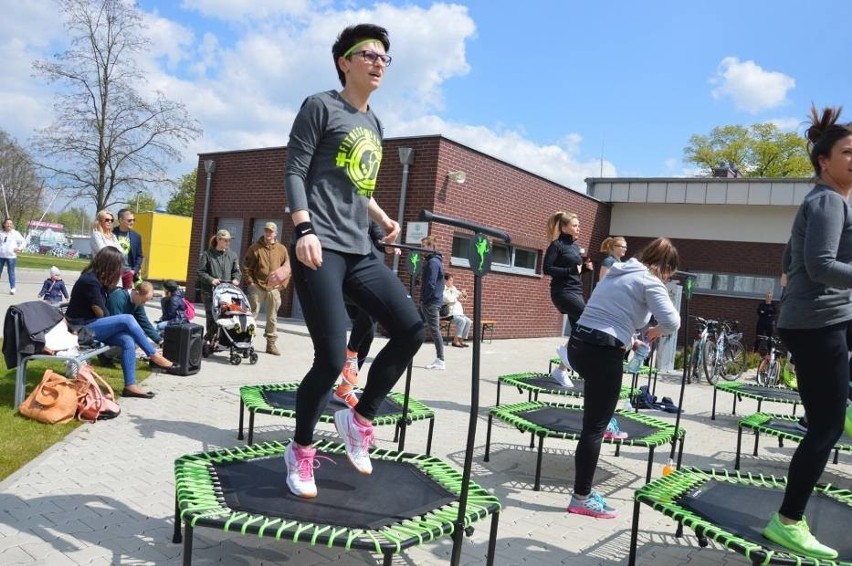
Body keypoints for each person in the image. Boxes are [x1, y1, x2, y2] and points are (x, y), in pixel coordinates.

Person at [277, 23, 425, 499]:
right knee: (330, 356)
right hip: (318, 243)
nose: (379, 63)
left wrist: (382, 218)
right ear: (345, 62)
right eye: (369, 55)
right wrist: (302, 229)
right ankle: (300, 451)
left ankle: (358, 418)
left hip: (359, 245)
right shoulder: (321, 105)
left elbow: (359, 187)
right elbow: (296, 169)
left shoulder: (374, 124)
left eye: (385, 58)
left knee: (410, 329)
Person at [762, 106, 852, 561]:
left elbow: (789, 262)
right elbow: (820, 266)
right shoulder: (828, 200)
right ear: (824, 160)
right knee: (825, 428)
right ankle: (788, 521)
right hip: (819, 323)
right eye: (848, 152)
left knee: (831, 416)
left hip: (821, 319)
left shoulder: (825, 201)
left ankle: (846, 404)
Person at [566, 237, 680, 518]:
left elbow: (609, 312)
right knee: (594, 428)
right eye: (669, 274)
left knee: (597, 416)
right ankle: (581, 497)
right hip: (602, 352)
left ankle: (606, 419)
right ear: (664, 267)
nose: (667, 279)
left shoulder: (618, 271)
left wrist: (630, 339)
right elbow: (672, 322)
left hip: (578, 345)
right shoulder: (650, 281)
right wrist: (654, 332)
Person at [65, 247, 174, 399]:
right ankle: (153, 355)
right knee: (127, 319)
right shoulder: (90, 281)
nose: (120, 272)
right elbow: (102, 313)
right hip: (80, 329)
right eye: (118, 267)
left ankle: (130, 386)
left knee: (127, 340)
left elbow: (103, 313)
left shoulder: (99, 281)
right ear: (109, 265)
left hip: (91, 326)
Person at [334, 220, 400, 409]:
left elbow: (379, 240)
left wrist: (388, 244)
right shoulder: (339, 212)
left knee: (368, 334)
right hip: (345, 277)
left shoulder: (367, 217)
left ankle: (345, 388)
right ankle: (350, 353)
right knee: (373, 309)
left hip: (362, 275)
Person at [543, 211, 593, 384]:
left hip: (576, 290)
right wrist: (570, 271)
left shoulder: (575, 247)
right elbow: (547, 269)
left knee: (580, 331)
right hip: (562, 292)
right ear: (564, 227)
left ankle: (561, 370)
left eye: (579, 225)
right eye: (575, 225)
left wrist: (585, 269)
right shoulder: (556, 245)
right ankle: (565, 354)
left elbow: (575, 272)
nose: (578, 228)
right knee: (587, 319)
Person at [242, 222, 290, 356]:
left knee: (272, 317)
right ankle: (246, 341)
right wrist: (250, 282)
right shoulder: (255, 248)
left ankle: (271, 344)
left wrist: (281, 286)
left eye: (271, 231)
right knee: (252, 315)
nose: (268, 233)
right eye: (266, 231)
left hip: (274, 289)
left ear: (275, 233)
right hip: (257, 286)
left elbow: (287, 270)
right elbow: (246, 267)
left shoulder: (282, 249)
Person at [197, 229, 241, 342]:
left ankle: (213, 339)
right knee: (212, 317)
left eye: (229, 240)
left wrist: (236, 279)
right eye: (226, 240)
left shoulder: (232, 255)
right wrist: (211, 280)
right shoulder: (207, 255)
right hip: (209, 291)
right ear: (218, 240)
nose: (228, 243)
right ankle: (209, 341)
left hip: (226, 291)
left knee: (226, 315)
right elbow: (200, 272)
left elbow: (237, 271)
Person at [106, 281, 162, 346]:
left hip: (121, 331)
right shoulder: (118, 298)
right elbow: (116, 323)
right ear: (137, 293)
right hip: (109, 332)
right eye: (143, 301)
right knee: (131, 340)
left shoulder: (137, 301)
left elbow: (144, 322)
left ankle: (152, 353)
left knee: (139, 336)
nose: (143, 303)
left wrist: (159, 340)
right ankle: (152, 354)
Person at [420, 235, 446, 368]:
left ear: (431, 247)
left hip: (430, 302)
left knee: (434, 330)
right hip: (432, 301)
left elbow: (431, 284)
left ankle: (440, 360)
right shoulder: (436, 261)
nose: (421, 249)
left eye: (424, 246)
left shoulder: (433, 263)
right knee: (420, 326)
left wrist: (424, 298)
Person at [113, 208, 144, 289]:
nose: (132, 222)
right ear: (120, 220)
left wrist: (134, 271)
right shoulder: (111, 234)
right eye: (129, 220)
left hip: (130, 273)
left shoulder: (136, 236)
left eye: (134, 220)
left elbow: (140, 256)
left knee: (130, 297)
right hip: (114, 274)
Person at [443, 273, 471, 348]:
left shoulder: (453, 288)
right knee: (462, 321)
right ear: (445, 280)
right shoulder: (443, 288)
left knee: (468, 321)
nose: (452, 282)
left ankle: (461, 340)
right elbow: (447, 299)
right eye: (451, 280)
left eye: (452, 280)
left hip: (458, 313)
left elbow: (461, 296)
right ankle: (455, 341)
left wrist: (464, 294)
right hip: (449, 314)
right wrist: (456, 297)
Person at [0, 217, 26, 295]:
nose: (9, 225)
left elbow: (24, 241)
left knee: (11, 272)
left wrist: (19, 248)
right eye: (7, 223)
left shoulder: (15, 233)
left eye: (10, 224)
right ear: (4, 224)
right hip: (1, 256)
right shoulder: (1, 233)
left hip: (11, 256)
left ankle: (13, 288)